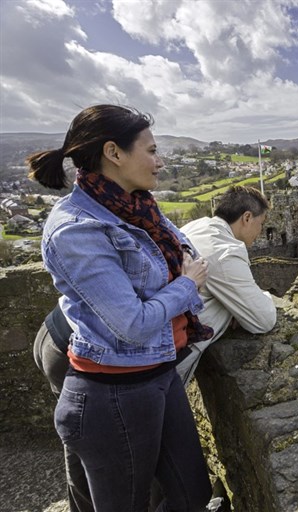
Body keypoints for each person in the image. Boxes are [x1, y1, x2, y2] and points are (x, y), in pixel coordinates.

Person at [28, 104, 212, 511]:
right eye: (151, 150)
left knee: (194, 494)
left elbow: (187, 249)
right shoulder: (75, 229)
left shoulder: (136, 204)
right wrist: (184, 285)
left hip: (159, 372)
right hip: (113, 392)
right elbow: (132, 322)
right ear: (114, 152)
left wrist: (174, 284)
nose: (159, 162)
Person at [177, 185, 278, 385]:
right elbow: (263, 319)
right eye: (261, 223)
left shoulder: (195, 226)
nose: (261, 231)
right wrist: (264, 296)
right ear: (247, 218)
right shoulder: (224, 251)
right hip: (170, 360)